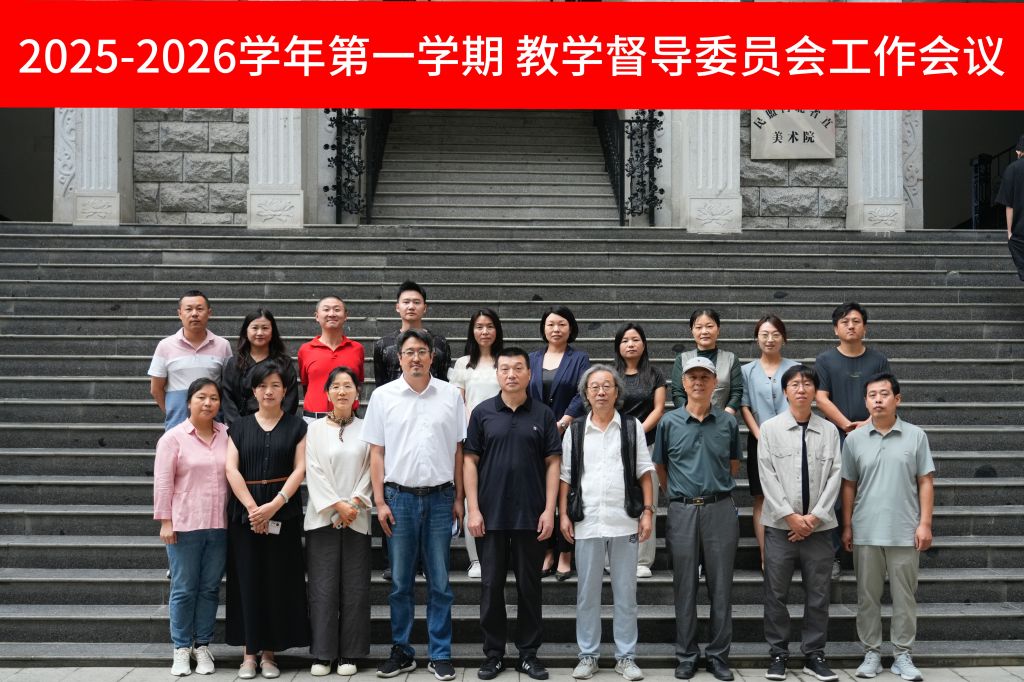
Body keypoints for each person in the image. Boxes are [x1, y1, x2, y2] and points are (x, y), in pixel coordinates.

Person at [363, 329, 467, 681]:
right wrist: (379, 500)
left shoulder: (450, 395)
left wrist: (459, 498)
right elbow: (377, 453)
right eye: (409, 352)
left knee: (440, 582)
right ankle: (402, 650)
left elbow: (458, 449)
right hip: (399, 498)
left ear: (432, 356)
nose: (416, 358)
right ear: (400, 357)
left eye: (422, 351)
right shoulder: (383, 396)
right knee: (400, 583)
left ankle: (440, 653)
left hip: (440, 497)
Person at [464, 346, 561, 681]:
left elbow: (553, 463)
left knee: (529, 587)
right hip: (489, 516)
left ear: (529, 373)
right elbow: (469, 461)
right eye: (505, 368)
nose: (511, 374)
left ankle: (528, 654)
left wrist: (549, 510)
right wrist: (473, 509)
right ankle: (493, 654)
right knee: (490, 586)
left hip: (531, 515)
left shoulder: (543, 414)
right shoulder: (482, 413)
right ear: (497, 374)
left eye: (518, 368)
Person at [559, 365, 654, 682]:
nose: (600, 391)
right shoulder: (575, 430)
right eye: (594, 387)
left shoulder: (631, 426)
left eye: (607, 386)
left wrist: (648, 511)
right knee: (587, 594)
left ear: (617, 392)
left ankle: (626, 657)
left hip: (624, 520)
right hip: (587, 521)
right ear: (586, 394)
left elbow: (644, 471)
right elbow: (565, 477)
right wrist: (563, 514)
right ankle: (588, 655)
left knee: (626, 594)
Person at [841, 373, 935, 682]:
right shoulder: (854, 439)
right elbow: (848, 485)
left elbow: (925, 481)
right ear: (866, 401)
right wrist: (847, 525)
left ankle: (902, 655)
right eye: (872, 395)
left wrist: (924, 523)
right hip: (866, 529)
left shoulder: (916, 436)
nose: (878, 399)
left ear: (897, 399)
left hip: (904, 530)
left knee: (904, 596)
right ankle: (871, 652)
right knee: (867, 596)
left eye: (884, 394)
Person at [653, 356, 741, 682]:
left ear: (715, 382)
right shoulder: (668, 422)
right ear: (683, 382)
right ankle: (687, 655)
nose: (699, 382)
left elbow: (733, 465)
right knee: (684, 587)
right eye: (693, 377)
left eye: (705, 377)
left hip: (720, 509)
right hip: (683, 510)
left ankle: (718, 656)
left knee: (722, 587)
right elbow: (661, 468)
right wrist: (680, 496)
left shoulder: (728, 423)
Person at [224, 363, 309, 680]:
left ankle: (270, 652)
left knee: (277, 580)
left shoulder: (297, 426)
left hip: (283, 511)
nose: (269, 391)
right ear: (253, 391)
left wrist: (273, 506)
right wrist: (252, 508)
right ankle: (249, 654)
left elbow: (300, 469)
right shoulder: (239, 426)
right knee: (247, 580)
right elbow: (231, 469)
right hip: (244, 514)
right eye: (262, 386)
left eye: (275, 385)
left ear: (284, 390)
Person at [757, 365, 842, 682]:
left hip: (820, 530)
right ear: (785, 391)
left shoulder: (829, 431)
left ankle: (814, 654)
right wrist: (790, 517)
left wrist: (814, 518)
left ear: (815, 391)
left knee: (818, 595)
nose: (801, 389)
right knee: (775, 594)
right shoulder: (770, 429)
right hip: (780, 528)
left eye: (807, 384)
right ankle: (778, 653)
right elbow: (767, 475)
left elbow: (835, 476)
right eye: (795, 384)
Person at [153, 378, 230, 677]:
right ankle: (181, 648)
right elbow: (163, 482)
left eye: (213, 398)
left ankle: (203, 645)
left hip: (219, 525)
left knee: (210, 588)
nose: (208, 403)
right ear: (189, 402)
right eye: (201, 397)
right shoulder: (173, 439)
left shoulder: (227, 435)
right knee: (184, 589)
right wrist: (165, 521)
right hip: (184, 525)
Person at [304, 366, 373, 677]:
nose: (342, 391)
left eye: (348, 386)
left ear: (358, 393)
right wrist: (337, 506)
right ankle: (323, 653)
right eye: (336, 386)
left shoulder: (368, 428)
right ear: (327, 393)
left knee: (355, 588)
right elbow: (313, 470)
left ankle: (349, 653)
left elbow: (372, 469)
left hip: (357, 517)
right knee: (323, 588)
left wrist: (353, 504)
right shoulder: (314, 430)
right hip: (323, 518)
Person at [815, 302, 892, 579]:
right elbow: (821, 397)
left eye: (856, 321)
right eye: (845, 322)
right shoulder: (825, 360)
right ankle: (834, 555)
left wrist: (867, 423)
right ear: (835, 329)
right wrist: (846, 425)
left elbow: (886, 393)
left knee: (876, 492)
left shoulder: (878, 360)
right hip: (837, 436)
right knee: (835, 496)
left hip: (875, 432)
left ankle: (879, 555)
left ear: (865, 328)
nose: (851, 326)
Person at [528, 305, 590, 579]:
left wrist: (563, 421)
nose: (556, 329)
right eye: (551, 324)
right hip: (535, 434)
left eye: (562, 324)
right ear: (544, 328)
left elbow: (583, 391)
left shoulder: (579, 358)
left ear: (571, 328)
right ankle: (546, 551)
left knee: (566, 491)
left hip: (569, 432)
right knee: (541, 493)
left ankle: (565, 552)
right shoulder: (532, 358)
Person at [740, 315, 798, 570]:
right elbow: (744, 405)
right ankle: (766, 556)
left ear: (783, 338)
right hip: (759, 439)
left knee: (792, 494)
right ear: (757, 339)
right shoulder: (746, 371)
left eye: (775, 334)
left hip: (792, 439)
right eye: (764, 334)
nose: (770, 339)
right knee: (761, 498)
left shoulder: (795, 368)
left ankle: (791, 554)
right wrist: (759, 435)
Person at [449, 308, 504, 579]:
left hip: (503, 435)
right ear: (472, 330)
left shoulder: (504, 361)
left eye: (490, 326)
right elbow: (458, 400)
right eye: (480, 326)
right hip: (473, 435)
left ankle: (501, 555)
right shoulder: (463, 364)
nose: (485, 331)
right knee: (474, 498)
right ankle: (476, 559)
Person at [613, 323, 666, 579]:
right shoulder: (611, 374)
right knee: (615, 499)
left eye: (635, 340)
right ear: (618, 346)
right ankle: (614, 557)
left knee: (648, 501)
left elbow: (659, 408)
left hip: (648, 443)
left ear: (644, 344)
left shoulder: (655, 374)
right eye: (625, 340)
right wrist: (623, 435)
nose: (630, 344)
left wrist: (637, 432)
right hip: (614, 443)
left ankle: (643, 559)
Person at [149, 290, 232, 430]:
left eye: (200, 309)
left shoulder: (223, 345)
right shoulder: (165, 346)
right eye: (188, 309)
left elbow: (228, 387)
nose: (194, 314)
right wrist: (173, 412)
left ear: (209, 313)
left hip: (213, 426)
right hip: (177, 426)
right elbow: (156, 389)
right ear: (180, 314)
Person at [221, 308, 299, 426]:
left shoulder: (284, 363)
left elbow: (290, 399)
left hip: (277, 427)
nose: (260, 333)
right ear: (246, 331)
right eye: (255, 328)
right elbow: (227, 398)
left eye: (265, 328)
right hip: (241, 427)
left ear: (273, 332)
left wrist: (275, 426)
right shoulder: (234, 363)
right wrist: (239, 427)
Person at [298, 295, 365, 422]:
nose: (332, 314)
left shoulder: (357, 349)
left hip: (348, 418)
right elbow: (306, 384)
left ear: (345, 316)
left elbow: (358, 383)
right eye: (326, 309)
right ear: (317, 316)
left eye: (337, 309)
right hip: (313, 419)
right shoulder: (305, 350)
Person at [373, 280, 451, 386]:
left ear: (425, 308)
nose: (411, 307)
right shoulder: (383, 345)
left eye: (416, 302)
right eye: (406, 302)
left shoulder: (439, 343)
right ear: (397, 307)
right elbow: (381, 384)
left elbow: (444, 382)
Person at [670, 308, 742, 415]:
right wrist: (691, 416)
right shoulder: (682, 359)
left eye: (709, 326)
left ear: (718, 329)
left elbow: (736, 392)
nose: (704, 331)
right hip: (688, 420)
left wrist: (724, 418)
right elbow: (677, 393)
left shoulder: (731, 359)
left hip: (722, 419)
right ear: (692, 330)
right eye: (699, 327)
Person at [994, 133, 1024, 280]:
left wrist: (1009, 232)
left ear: (1019, 151)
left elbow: (1009, 205)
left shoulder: (1011, 169)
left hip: (1020, 234)